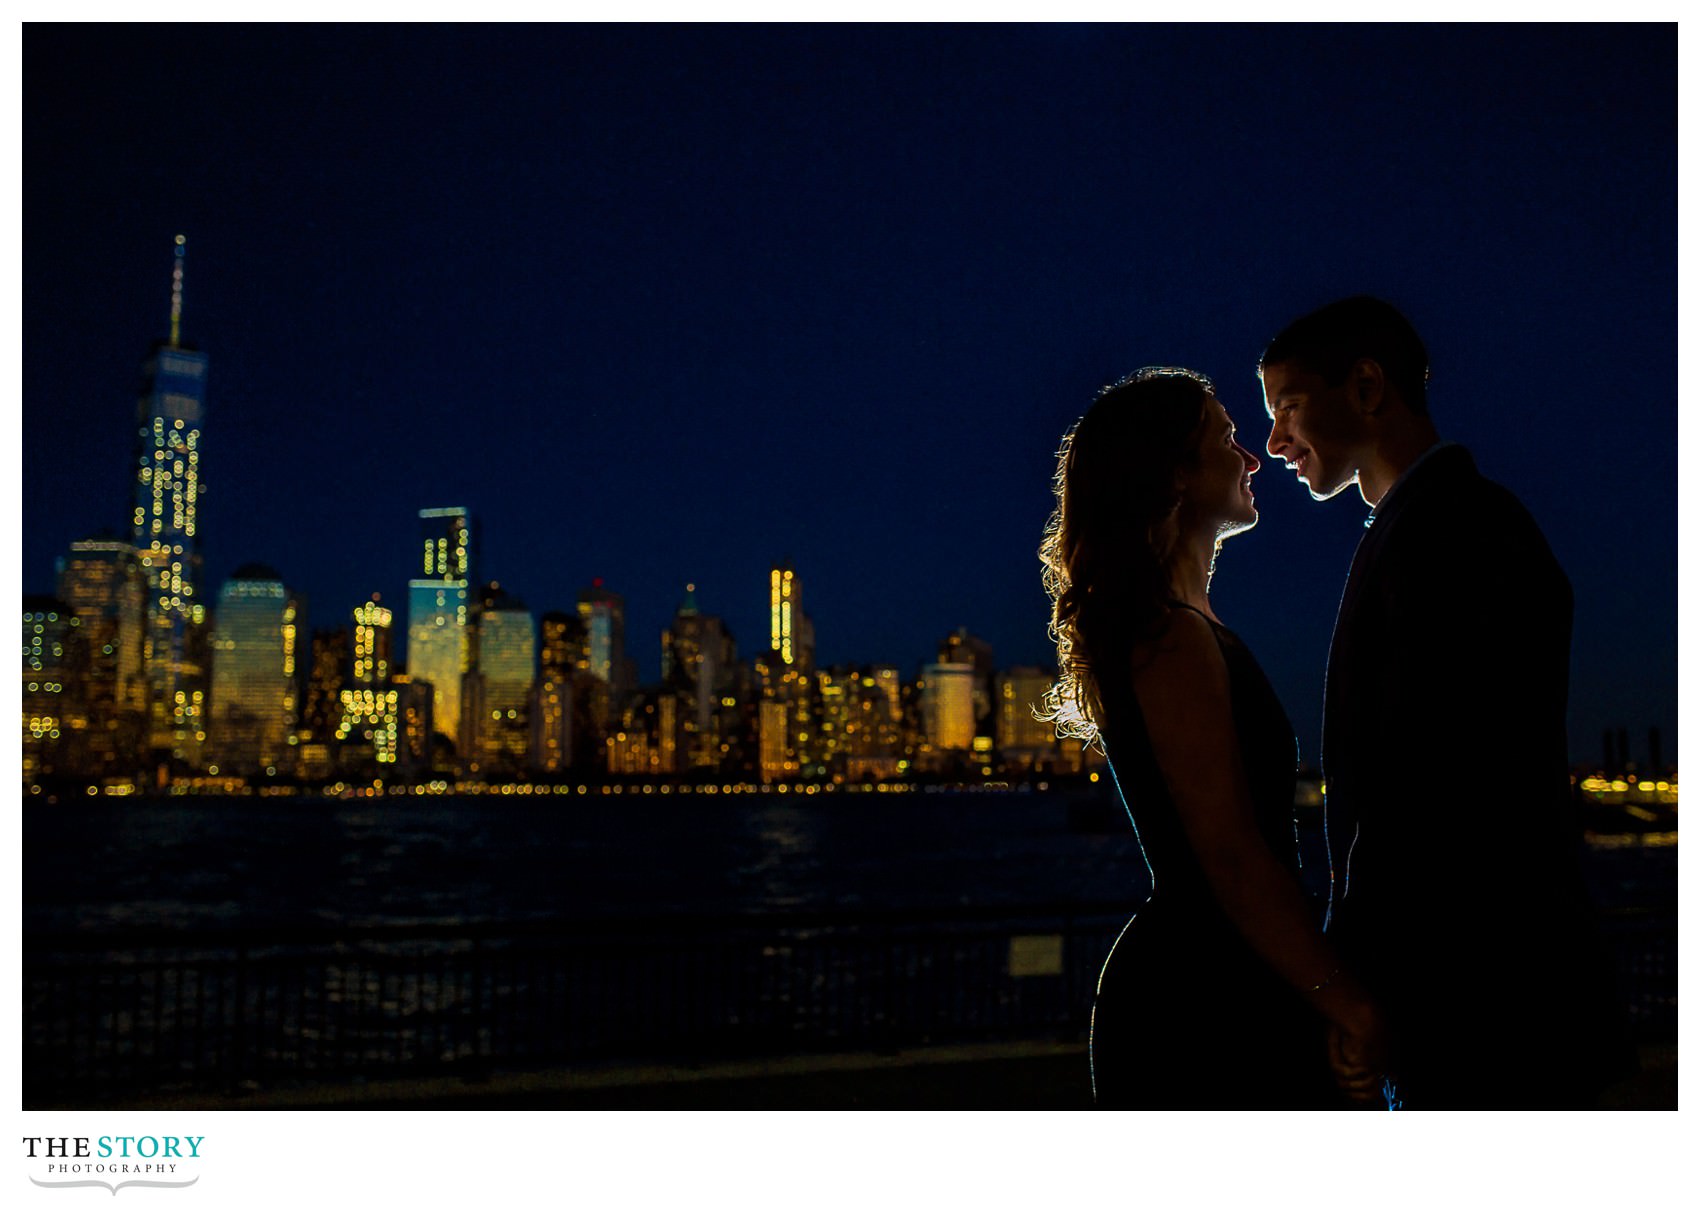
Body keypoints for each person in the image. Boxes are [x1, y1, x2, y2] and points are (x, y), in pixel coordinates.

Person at [1259, 296, 1630, 1109]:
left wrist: (1360, 986)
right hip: (1486, 992)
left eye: (1286, 408)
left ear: (1365, 387)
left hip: (1484, 1003)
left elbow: (1431, 792)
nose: (1275, 442)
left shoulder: (1452, 533)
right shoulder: (1445, 524)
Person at [1039, 366, 1392, 1109]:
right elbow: (1230, 855)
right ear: (1173, 474)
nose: (1253, 457)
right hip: (1204, 999)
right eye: (1228, 439)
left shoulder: (1184, 627)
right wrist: (1348, 1001)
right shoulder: (1170, 637)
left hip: (1232, 975)